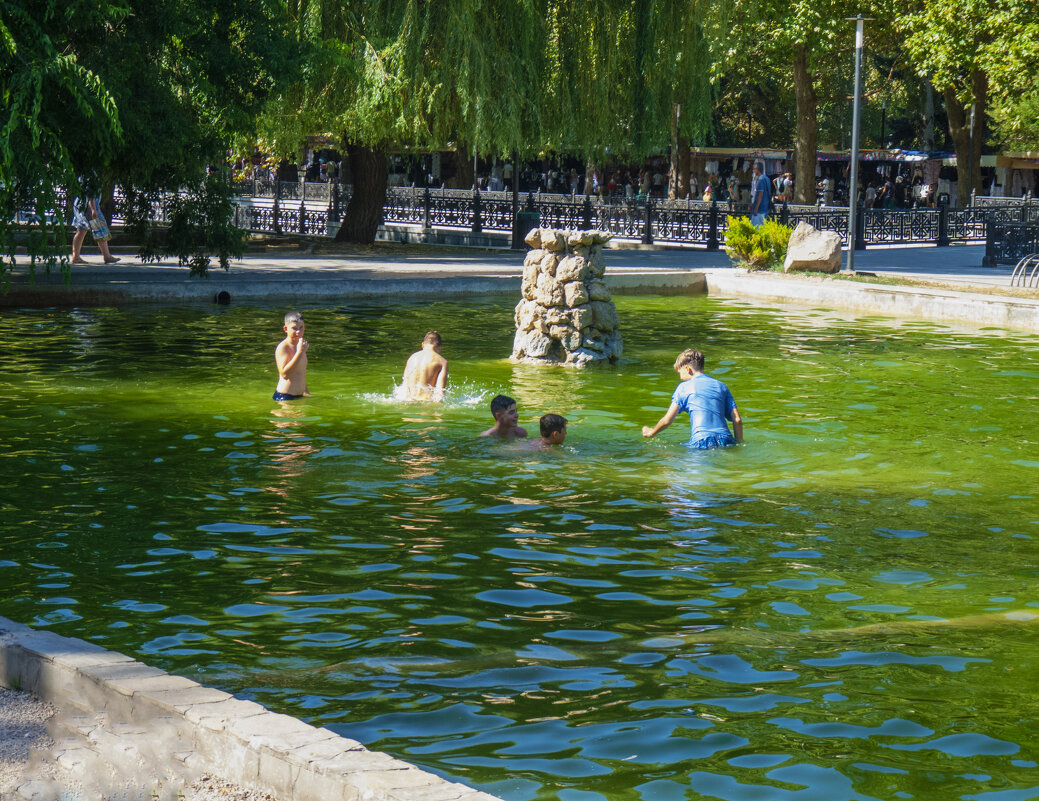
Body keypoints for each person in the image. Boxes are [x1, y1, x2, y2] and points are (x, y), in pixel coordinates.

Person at [642, 348, 742, 449]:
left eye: (680, 374)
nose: (681, 378)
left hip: (701, 441)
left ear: (687, 369)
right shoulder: (721, 386)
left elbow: (667, 420)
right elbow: (737, 420)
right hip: (727, 440)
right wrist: (738, 445)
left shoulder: (683, 387)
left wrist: (652, 432)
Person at [70, 195, 119, 265]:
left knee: (82, 229)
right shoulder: (94, 183)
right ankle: (107, 256)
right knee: (99, 227)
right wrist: (93, 209)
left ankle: (76, 257)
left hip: (81, 203)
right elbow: (91, 191)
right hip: (90, 204)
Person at [401, 331, 449, 401]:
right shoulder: (442, 362)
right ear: (440, 347)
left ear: (423, 345)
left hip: (408, 402)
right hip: (426, 403)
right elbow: (439, 393)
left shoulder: (412, 358)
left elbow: (404, 387)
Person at [273, 311, 310, 400]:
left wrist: (308, 394)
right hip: (285, 397)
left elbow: (300, 374)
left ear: (304, 327)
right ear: (286, 329)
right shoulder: (283, 347)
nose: (298, 331)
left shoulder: (301, 345)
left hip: (300, 397)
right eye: (294, 328)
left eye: (301, 328)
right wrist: (299, 353)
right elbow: (285, 375)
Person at [749, 162, 770, 226]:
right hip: (766, 207)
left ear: (757, 169)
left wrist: (756, 208)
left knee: (756, 229)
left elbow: (760, 194)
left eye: (754, 169)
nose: (753, 171)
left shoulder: (760, 179)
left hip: (760, 209)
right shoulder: (767, 178)